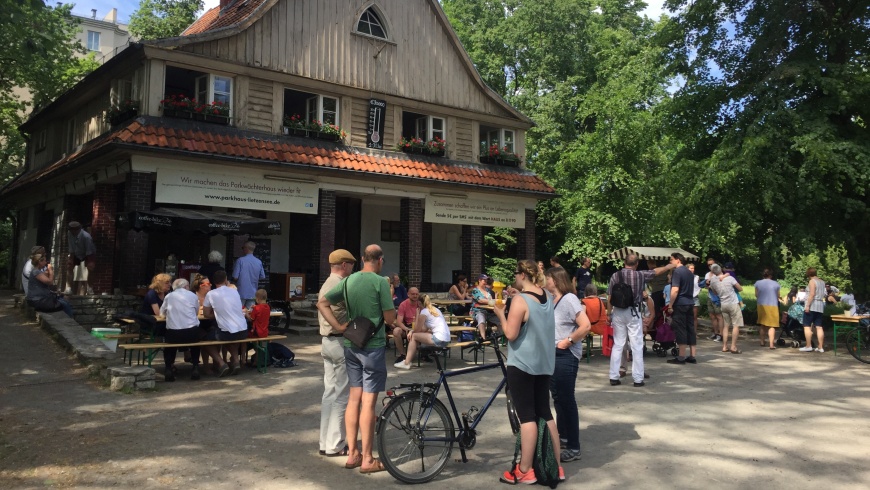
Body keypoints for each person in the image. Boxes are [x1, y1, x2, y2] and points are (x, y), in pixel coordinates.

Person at [317, 244, 396, 474]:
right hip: (372, 346)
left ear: (362, 259)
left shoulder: (348, 281)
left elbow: (322, 303)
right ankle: (368, 459)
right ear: (380, 260)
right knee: (369, 403)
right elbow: (390, 318)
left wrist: (339, 326)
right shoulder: (381, 282)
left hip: (351, 344)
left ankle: (352, 453)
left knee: (353, 399)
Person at [493, 259, 562, 484]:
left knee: (527, 417)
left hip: (522, 364)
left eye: (516, 273)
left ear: (522, 274)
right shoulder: (548, 297)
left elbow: (511, 334)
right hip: (544, 363)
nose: (514, 277)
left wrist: (501, 313)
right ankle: (556, 467)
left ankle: (524, 469)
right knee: (546, 413)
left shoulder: (520, 301)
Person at [544, 266, 590, 464]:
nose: (545, 281)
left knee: (567, 400)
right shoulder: (552, 300)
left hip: (565, 354)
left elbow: (585, 325)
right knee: (558, 398)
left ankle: (574, 446)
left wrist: (568, 341)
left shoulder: (569, 299)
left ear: (555, 279)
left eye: (547, 278)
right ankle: (563, 435)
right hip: (554, 354)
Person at [607, 254, 675, 387]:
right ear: (637, 264)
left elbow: (610, 296)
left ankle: (613, 376)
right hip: (633, 312)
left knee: (618, 344)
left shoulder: (615, 275)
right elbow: (656, 272)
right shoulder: (640, 275)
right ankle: (638, 378)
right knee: (636, 345)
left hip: (618, 312)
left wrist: (609, 314)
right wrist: (668, 266)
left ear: (624, 262)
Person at [317, 249, 356, 458]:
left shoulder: (327, 283)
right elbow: (323, 306)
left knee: (329, 393)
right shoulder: (341, 284)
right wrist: (340, 326)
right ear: (344, 265)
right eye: (351, 265)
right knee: (342, 395)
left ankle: (325, 441)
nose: (352, 268)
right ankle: (336, 444)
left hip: (326, 341)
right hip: (339, 341)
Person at [202, 270, 248, 376]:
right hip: (243, 331)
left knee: (205, 340)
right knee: (230, 335)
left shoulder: (211, 294)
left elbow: (206, 314)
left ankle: (221, 363)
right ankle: (236, 361)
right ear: (226, 279)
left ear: (213, 282)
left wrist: (218, 314)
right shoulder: (234, 291)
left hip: (227, 333)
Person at [394, 294, 451, 369]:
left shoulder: (424, 312)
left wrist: (417, 314)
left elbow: (417, 330)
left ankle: (406, 362)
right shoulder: (435, 310)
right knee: (418, 335)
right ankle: (414, 358)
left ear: (420, 303)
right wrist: (414, 331)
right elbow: (424, 329)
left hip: (439, 339)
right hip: (446, 339)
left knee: (414, 336)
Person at [159, 278, 201, 381]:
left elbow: (161, 313)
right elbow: (196, 312)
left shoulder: (169, 296)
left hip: (174, 333)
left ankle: (169, 368)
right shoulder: (193, 295)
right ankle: (195, 366)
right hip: (191, 332)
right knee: (196, 342)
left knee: (169, 344)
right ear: (186, 286)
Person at [666, 253, 699, 364]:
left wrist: (670, 304)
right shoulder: (689, 273)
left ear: (678, 260)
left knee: (680, 329)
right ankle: (692, 356)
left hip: (680, 303)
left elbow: (675, 289)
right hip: (690, 302)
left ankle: (681, 357)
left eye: (672, 259)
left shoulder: (677, 272)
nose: (670, 262)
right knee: (690, 328)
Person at [709, 264, 744, 354]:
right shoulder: (730, 278)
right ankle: (733, 347)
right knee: (736, 325)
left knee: (726, 326)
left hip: (723, 304)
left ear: (713, 272)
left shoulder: (713, 281)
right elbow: (740, 289)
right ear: (721, 269)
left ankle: (724, 346)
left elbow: (715, 292)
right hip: (733, 304)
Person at [26, 252, 74, 317]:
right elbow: (49, 282)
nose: (46, 263)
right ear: (40, 262)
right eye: (44, 261)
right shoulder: (35, 272)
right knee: (64, 304)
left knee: (65, 300)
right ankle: (70, 320)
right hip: (38, 300)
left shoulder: (38, 271)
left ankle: (70, 318)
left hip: (42, 299)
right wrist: (51, 271)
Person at [65, 221, 96, 294]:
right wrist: (71, 259)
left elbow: (89, 250)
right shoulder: (69, 234)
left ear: (78, 229)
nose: (72, 231)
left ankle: (90, 288)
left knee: (91, 268)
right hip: (76, 252)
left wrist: (88, 262)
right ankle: (69, 288)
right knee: (69, 266)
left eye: (74, 229)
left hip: (88, 252)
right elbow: (71, 247)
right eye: (71, 229)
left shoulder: (86, 237)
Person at [391, 287, 421, 364]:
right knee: (396, 331)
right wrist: (406, 329)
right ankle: (402, 355)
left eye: (416, 294)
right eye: (413, 294)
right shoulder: (403, 304)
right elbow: (398, 322)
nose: (415, 296)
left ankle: (425, 353)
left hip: (419, 327)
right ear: (408, 294)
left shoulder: (421, 304)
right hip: (407, 327)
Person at [800, 268, 826, 353]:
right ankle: (820, 347)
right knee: (819, 326)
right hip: (820, 305)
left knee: (806, 325)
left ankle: (808, 345)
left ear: (808, 274)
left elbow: (812, 294)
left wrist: (807, 305)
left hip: (812, 305)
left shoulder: (812, 281)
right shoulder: (822, 282)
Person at [232, 241, 265, 309]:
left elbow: (235, 277)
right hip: (253, 292)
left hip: (241, 292)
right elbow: (262, 276)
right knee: (250, 314)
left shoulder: (240, 261)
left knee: (239, 313)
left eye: (243, 248)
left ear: (246, 248)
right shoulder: (259, 262)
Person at [754, 269, 782, 349]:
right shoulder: (776, 284)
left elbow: (756, 294)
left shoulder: (758, 283)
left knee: (763, 324)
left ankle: (762, 341)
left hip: (761, 305)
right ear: (771, 275)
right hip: (773, 305)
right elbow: (778, 295)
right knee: (772, 325)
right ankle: (771, 344)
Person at [471, 274, 500, 338]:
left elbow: (492, 299)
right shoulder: (475, 290)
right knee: (481, 319)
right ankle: (483, 338)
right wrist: (493, 301)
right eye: (484, 280)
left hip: (489, 311)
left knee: (500, 319)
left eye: (486, 281)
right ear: (479, 280)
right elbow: (480, 300)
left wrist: (495, 299)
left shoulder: (487, 290)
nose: (486, 282)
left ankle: (499, 337)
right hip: (477, 311)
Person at [704, 258, 724, 342]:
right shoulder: (707, 274)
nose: (710, 266)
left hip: (718, 297)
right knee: (712, 316)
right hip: (710, 296)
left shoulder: (719, 274)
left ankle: (721, 334)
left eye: (711, 264)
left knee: (719, 316)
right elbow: (705, 285)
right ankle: (715, 333)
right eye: (708, 265)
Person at [686, 263, 701, 333]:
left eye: (693, 268)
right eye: (690, 268)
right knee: (686, 315)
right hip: (686, 297)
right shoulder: (684, 276)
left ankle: (694, 332)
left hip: (695, 297)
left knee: (694, 316)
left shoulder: (696, 277)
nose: (692, 269)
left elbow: (699, 286)